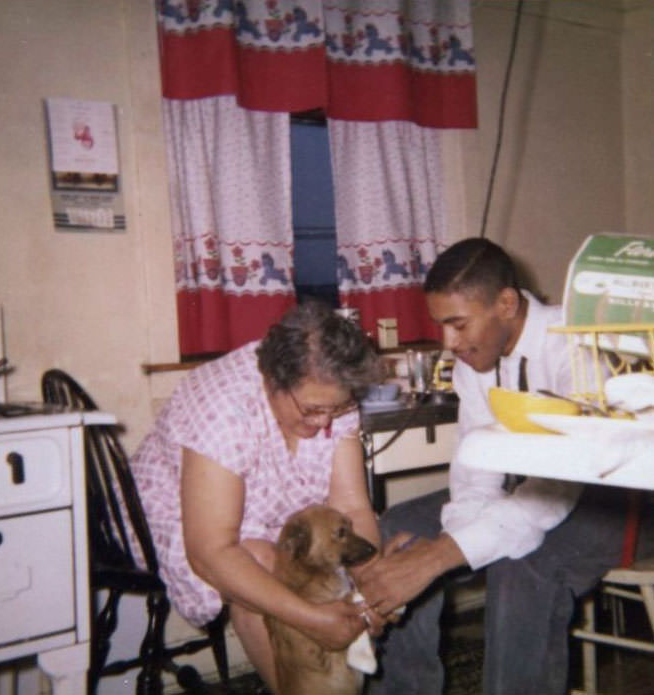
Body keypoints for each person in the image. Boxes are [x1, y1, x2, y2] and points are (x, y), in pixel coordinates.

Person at [357, 238, 631, 695]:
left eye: (458, 324)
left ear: (506, 303)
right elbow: (475, 468)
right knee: (403, 529)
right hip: (529, 491)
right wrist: (446, 544)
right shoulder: (475, 357)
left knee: (523, 562)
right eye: (443, 326)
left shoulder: (576, 343)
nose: (449, 342)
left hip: (615, 502)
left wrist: (445, 554)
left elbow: (557, 487)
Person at [129, 300, 386, 692]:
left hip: (259, 515)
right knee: (267, 565)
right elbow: (212, 551)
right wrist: (312, 620)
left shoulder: (330, 394)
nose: (324, 423)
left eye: (336, 410)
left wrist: (370, 590)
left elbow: (351, 508)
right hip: (173, 513)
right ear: (273, 381)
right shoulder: (224, 407)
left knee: (315, 569)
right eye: (313, 410)